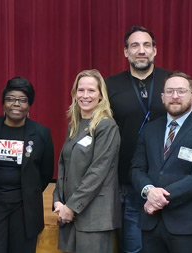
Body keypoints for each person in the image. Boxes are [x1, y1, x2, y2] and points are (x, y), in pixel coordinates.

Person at [131, 72, 192, 253]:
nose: (175, 96)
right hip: (151, 224)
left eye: (181, 91)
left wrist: (158, 199)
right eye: (170, 91)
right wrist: (149, 191)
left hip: (188, 226)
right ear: (162, 97)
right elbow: (137, 168)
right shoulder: (150, 130)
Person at [104, 26, 173, 253]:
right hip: (123, 182)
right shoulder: (109, 85)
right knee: (131, 246)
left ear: (155, 50)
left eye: (146, 45)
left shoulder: (171, 82)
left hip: (164, 182)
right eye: (135, 45)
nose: (141, 50)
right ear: (126, 52)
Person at [0, 77, 55, 253]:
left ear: (29, 105)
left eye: (22, 100)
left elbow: (45, 173)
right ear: (3, 102)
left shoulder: (41, 133)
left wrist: (26, 191)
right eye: (10, 99)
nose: (16, 104)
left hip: (24, 208)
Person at [54, 69, 121, 253]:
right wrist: (58, 202)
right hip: (70, 215)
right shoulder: (75, 125)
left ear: (101, 95)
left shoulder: (106, 126)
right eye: (80, 90)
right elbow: (64, 167)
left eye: (91, 90)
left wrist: (72, 207)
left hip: (94, 218)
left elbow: (98, 171)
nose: (85, 95)